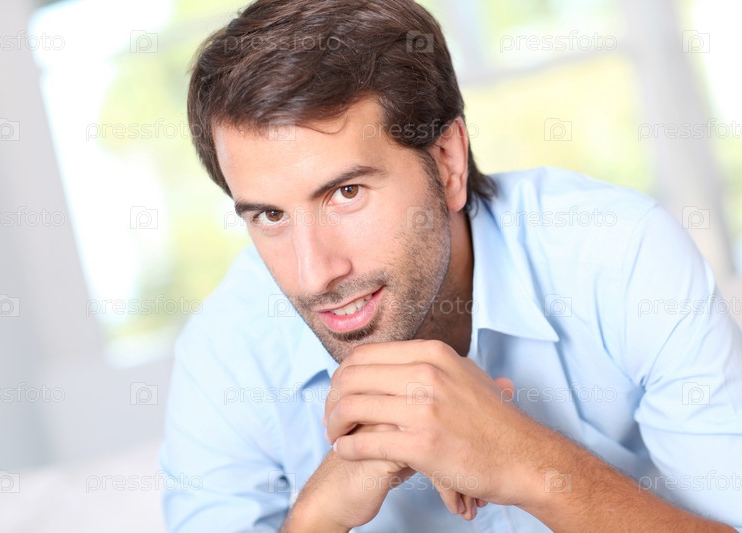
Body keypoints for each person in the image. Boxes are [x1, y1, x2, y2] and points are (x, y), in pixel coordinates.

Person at [159, 0, 742, 531]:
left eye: (346, 193)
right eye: (269, 215)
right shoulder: (226, 357)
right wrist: (318, 517)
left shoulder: (619, 255)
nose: (314, 275)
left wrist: (526, 461)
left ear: (447, 161)